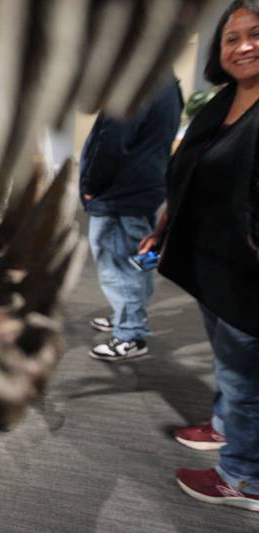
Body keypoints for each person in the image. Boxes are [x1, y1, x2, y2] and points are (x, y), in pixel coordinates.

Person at [138, 0, 259, 511]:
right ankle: (226, 425)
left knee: (246, 373)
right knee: (231, 365)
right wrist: (163, 228)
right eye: (231, 38)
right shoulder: (224, 99)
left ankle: (244, 479)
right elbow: (194, 173)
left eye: (255, 33)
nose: (243, 45)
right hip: (213, 261)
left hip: (247, 275)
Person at [79, 78, 183, 361]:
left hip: (118, 195)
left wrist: (92, 185)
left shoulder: (138, 84)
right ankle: (125, 316)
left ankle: (130, 334)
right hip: (144, 191)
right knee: (139, 260)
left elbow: (111, 139)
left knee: (118, 267)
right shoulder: (170, 86)